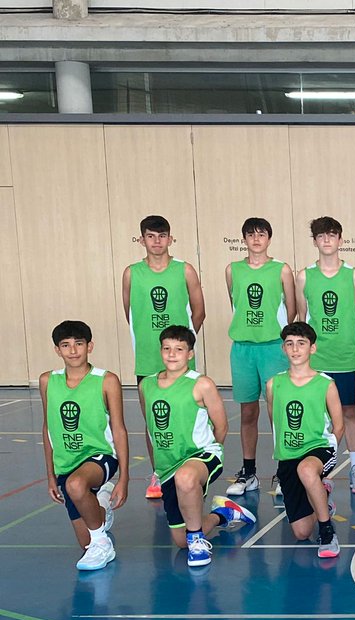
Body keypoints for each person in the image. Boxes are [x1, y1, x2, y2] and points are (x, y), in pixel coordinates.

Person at [141, 326, 255, 568]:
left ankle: (198, 543)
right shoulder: (147, 385)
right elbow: (150, 428)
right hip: (167, 466)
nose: (172, 354)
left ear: (190, 354)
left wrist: (208, 458)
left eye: (179, 349)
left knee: (185, 477)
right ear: (160, 351)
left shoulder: (202, 384)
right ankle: (223, 514)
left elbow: (221, 426)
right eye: (167, 348)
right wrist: (156, 470)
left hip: (202, 455)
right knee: (180, 540)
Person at [122, 214, 206, 500]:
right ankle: (159, 471)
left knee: (186, 417)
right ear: (141, 239)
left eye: (162, 236)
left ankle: (190, 470)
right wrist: (149, 340)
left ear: (170, 238)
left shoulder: (185, 270)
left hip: (181, 364)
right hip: (148, 359)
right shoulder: (131, 273)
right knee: (154, 421)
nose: (157, 241)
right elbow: (130, 314)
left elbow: (199, 311)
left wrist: (181, 346)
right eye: (150, 236)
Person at [40, 320, 130, 571]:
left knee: (76, 485)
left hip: (100, 456)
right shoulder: (48, 381)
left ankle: (103, 544)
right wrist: (50, 475)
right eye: (65, 345)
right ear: (57, 350)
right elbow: (48, 428)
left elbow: (119, 429)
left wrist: (124, 477)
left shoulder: (107, 380)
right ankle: (102, 504)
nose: (73, 350)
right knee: (85, 542)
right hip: (66, 463)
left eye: (79, 344)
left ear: (90, 346)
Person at [295, 216, 355, 495]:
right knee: (317, 416)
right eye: (321, 236)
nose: (326, 240)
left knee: (349, 412)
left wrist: (342, 338)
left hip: (345, 357)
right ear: (314, 241)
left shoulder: (353, 275)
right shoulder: (304, 276)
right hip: (317, 360)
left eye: (332, 235)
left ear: (341, 240)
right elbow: (303, 317)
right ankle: (319, 469)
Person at [224, 216, 296, 497]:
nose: (256, 239)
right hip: (243, 349)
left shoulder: (282, 270)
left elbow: (291, 310)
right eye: (251, 234)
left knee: (276, 412)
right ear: (244, 239)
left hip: (272, 348)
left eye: (262, 234)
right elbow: (236, 304)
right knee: (247, 412)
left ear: (269, 238)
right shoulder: (233, 270)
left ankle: (283, 471)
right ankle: (249, 471)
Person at [266, 322, 345, 558]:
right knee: (301, 532)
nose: (295, 349)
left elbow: (339, 425)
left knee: (307, 469)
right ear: (283, 349)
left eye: (301, 343)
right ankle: (322, 494)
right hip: (288, 455)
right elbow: (274, 419)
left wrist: (330, 454)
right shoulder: (274, 384)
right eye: (289, 344)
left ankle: (327, 531)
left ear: (312, 348)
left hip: (319, 449)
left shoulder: (325, 384)